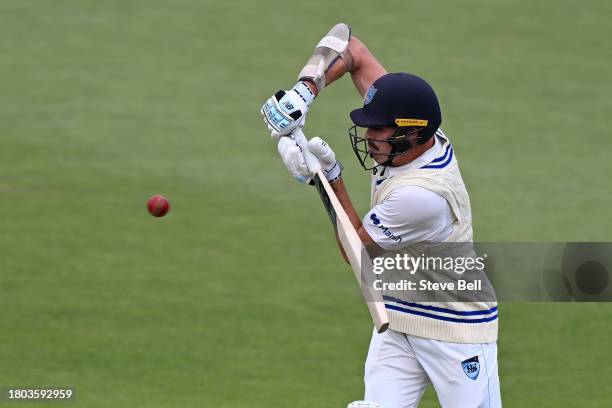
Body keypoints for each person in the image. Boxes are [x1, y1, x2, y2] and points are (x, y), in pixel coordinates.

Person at [261, 23, 501, 408]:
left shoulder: (420, 197)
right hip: (398, 314)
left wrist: (327, 179)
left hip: (455, 329)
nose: (368, 134)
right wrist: (304, 93)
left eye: (378, 128)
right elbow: (348, 44)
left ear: (410, 133)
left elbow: (357, 255)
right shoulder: (419, 134)